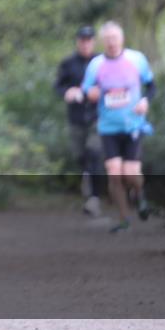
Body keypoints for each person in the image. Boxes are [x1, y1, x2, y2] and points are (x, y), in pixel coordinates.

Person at [80, 21, 155, 233]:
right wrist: (90, 94)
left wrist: (145, 101)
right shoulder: (96, 64)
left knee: (131, 175)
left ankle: (140, 194)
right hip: (108, 127)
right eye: (108, 39)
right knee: (114, 172)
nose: (112, 42)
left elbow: (151, 85)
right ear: (103, 42)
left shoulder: (136, 59)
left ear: (122, 39)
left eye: (116, 38)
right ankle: (124, 220)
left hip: (133, 125)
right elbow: (87, 90)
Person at [54, 26, 105, 217]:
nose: (85, 43)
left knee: (94, 151)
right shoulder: (68, 63)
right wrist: (67, 92)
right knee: (80, 155)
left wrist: (99, 94)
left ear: (93, 42)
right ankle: (87, 177)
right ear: (78, 41)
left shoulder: (102, 62)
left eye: (89, 40)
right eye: (82, 40)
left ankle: (94, 198)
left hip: (97, 117)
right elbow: (59, 85)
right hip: (76, 117)